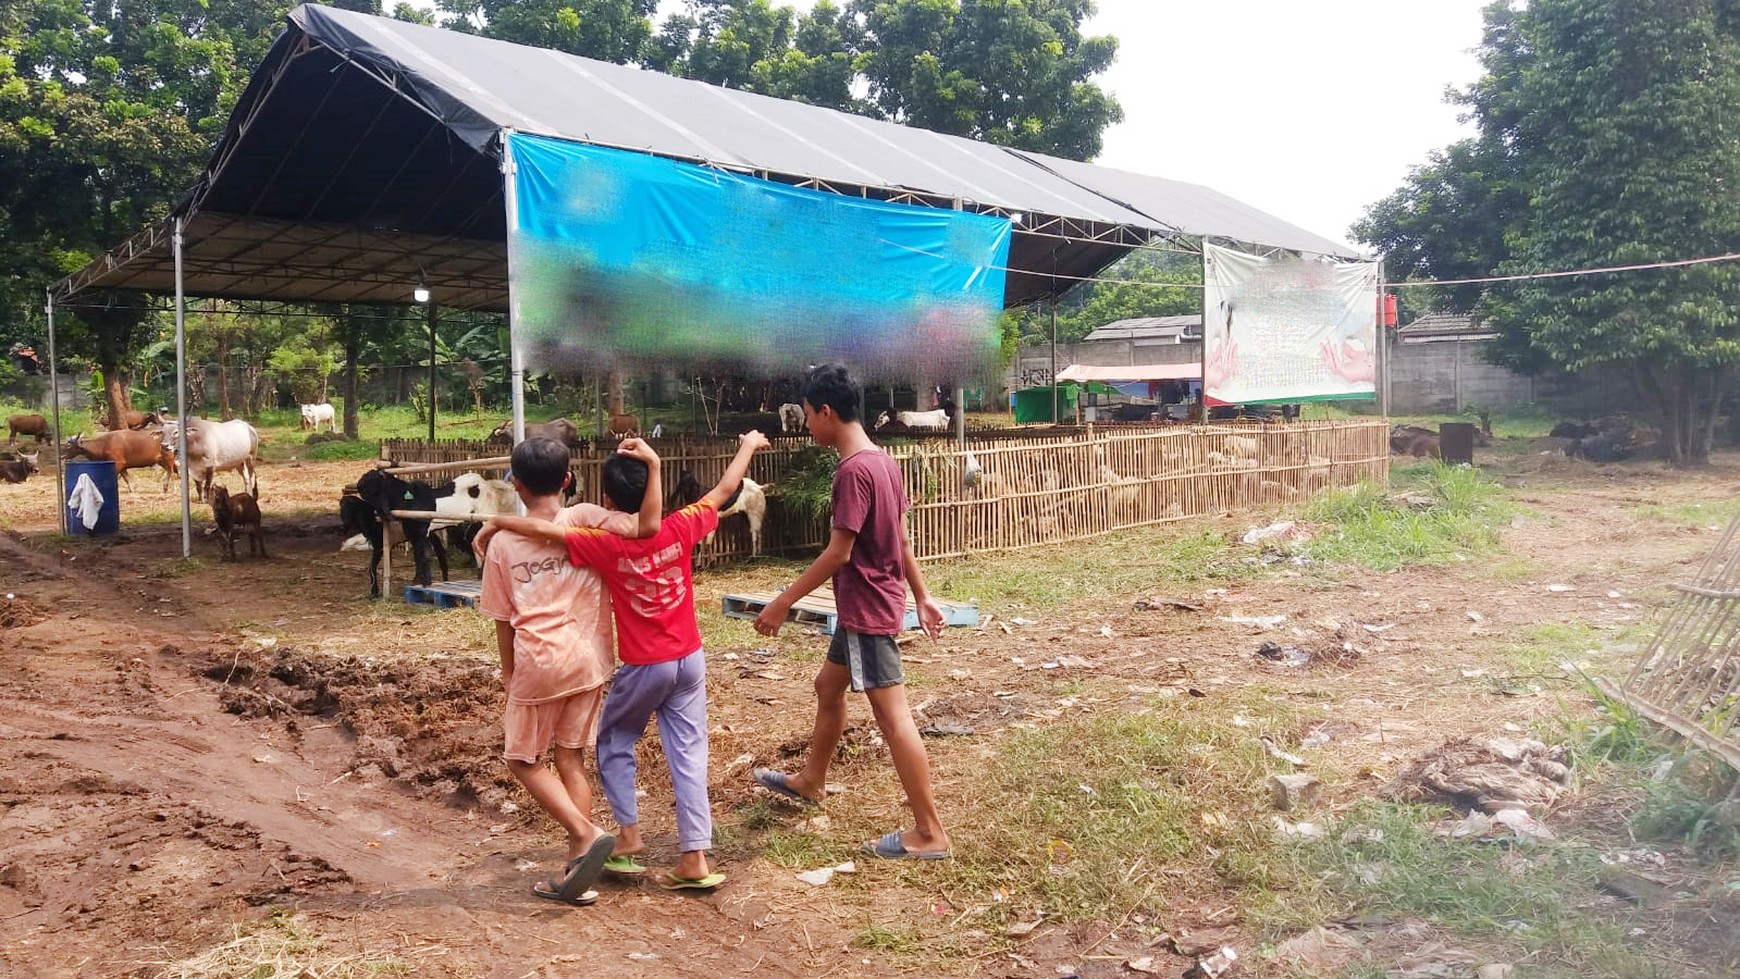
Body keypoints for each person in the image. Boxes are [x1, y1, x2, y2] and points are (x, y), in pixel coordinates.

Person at [485, 429, 770, 890]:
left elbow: (545, 531)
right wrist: (748, 447)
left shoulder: (598, 541)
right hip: (689, 659)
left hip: (640, 665)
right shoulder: (679, 525)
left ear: (607, 498)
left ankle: (625, 838)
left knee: (614, 741)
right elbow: (722, 491)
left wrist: (496, 521)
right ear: (569, 480)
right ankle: (694, 859)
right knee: (690, 754)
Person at [749, 364, 951, 860]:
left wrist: (781, 601)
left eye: (808, 416)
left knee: (893, 717)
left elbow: (839, 553)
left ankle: (929, 832)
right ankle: (811, 779)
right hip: (872, 602)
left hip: (865, 609)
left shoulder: (852, 472)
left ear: (826, 411)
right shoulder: (882, 461)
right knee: (827, 686)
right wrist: (921, 596)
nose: (806, 426)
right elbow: (901, 538)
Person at [474, 435, 663, 907]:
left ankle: (584, 832)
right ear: (567, 480)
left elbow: (503, 620)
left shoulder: (501, 543)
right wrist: (654, 467)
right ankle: (580, 869)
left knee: (521, 759)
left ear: (515, 484)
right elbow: (645, 525)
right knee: (570, 757)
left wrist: (509, 673)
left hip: (539, 663)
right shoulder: (585, 518)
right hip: (590, 660)